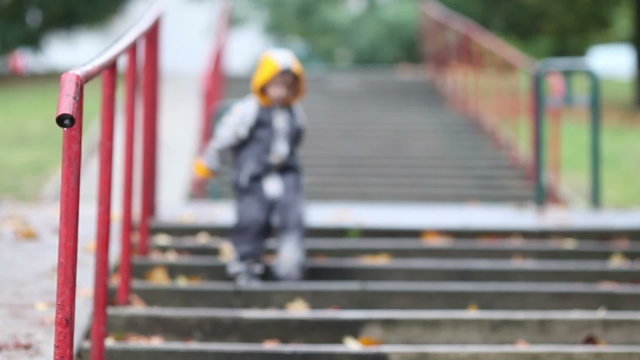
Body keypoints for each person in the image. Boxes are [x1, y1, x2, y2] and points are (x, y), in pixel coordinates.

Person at [194, 48, 307, 285]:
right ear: (263, 82)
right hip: (253, 174)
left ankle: (289, 261)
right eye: (276, 85)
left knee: (292, 215)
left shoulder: (294, 112)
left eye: (287, 86)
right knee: (252, 218)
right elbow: (225, 136)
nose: (281, 92)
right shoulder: (248, 109)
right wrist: (209, 162)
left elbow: (296, 138)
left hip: (284, 173)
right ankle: (245, 262)